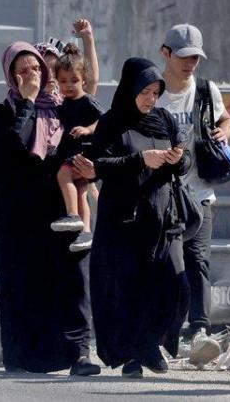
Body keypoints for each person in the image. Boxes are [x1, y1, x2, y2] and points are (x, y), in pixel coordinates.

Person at [0, 41, 99, 376]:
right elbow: (11, 147)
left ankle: (79, 353)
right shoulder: (5, 111)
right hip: (19, 213)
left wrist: (90, 168)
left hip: (60, 207)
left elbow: (90, 138)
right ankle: (22, 355)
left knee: (73, 280)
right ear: (11, 76)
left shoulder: (64, 107)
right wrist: (29, 102)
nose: (33, 75)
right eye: (23, 71)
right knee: (22, 284)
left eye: (36, 68)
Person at [71, 57, 190, 378]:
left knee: (176, 283)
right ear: (130, 89)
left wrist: (178, 159)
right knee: (130, 289)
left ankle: (152, 342)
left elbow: (185, 161)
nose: (151, 99)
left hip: (164, 217)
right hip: (125, 219)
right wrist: (141, 160)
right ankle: (135, 355)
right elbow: (97, 167)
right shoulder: (112, 122)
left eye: (156, 93)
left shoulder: (164, 119)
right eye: (145, 92)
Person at [155, 23, 230, 366]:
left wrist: (224, 132)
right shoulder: (153, 90)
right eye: (184, 57)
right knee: (164, 265)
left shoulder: (205, 89)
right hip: (162, 194)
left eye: (195, 58)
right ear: (166, 53)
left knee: (198, 260)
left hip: (199, 191)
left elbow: (226, 119)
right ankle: (163, 332)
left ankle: (200, 330)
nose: (190, 64)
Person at [49, 43, 104, 252]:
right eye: (63, 81)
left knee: (64, 175)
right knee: (81, 191)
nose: (68, 86)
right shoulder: (64, 105)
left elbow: (105, 122)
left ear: (84, 80)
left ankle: (72, 215)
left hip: (84, 154)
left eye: (74, 80)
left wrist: (88, 129)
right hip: (73, 153)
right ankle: (86, 232)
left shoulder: (87, 101)